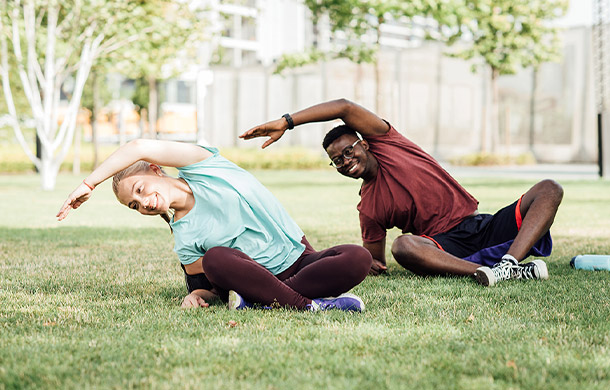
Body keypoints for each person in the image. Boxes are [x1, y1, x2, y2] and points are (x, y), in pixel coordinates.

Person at [240, 98, 563, 286]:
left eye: (348, 152)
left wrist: (287, 121)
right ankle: (488, 272)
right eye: (336, 161)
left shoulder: (390, 143)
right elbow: (378, 259)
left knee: (549, 189)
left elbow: (343, 106)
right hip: (442, 245)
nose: (344, 161)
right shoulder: (368, 207)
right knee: (404, 245)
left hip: (481, 225)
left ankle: (510, 264)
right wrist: (370, 263)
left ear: (365, 144)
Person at [57, 139, 372, 310]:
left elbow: (137, 146)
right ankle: (307, 305)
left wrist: (89, 183)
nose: (143, 204)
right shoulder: (183, 237)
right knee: (216, 258)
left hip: (300, 261)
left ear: (156, 169)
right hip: (257, 275)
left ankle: (266, 301)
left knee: (358, 257)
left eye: (139, 190)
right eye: (134, 206)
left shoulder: (204, 166)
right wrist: (197, 297)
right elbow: (214, 289)